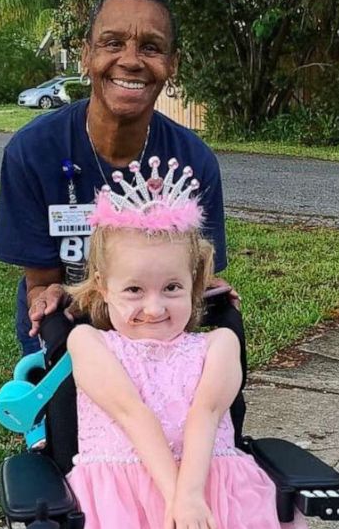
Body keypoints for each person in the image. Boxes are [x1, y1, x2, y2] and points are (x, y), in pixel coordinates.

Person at [0, 0, 235, 356]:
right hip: (67, 337)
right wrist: (49, 295)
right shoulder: (32, 152)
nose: (131, 60)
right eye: (113, 42)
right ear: (86, 54)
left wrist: (212, 291)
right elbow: (40, 284)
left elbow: (196, 277)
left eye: (151, 47)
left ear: (173, 64)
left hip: (155, 337)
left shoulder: (193, 161)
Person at [63, 159, 306, 529]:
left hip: (213, 489)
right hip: (120, 501)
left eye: (172, 287)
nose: (154, 307)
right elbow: (131, 412)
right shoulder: (88, 342)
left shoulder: (219, 345)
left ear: (194, 285)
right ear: (101, 287)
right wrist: (178, 498)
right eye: (133, 289)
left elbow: (205, 414)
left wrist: (191, 497)